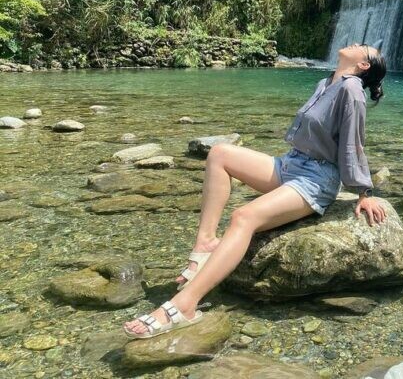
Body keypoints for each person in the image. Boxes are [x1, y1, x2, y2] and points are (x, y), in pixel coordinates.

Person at [123, 42, 387, 338]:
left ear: (364, 65)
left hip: (316, 179)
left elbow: (354, 143)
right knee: (220, 154)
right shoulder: (325, 82)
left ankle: (185, 304)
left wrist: (364, 192)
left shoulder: (352, 90)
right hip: (292, 164)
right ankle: (206, 243)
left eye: (362, 47)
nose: (353, 43)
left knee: (243, 216)